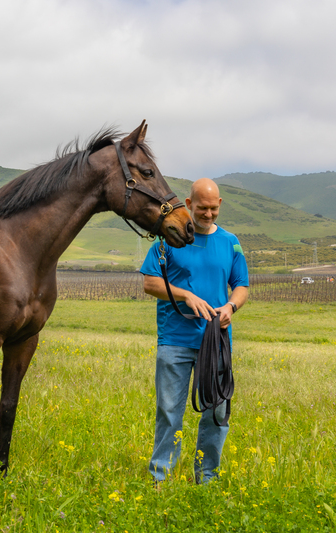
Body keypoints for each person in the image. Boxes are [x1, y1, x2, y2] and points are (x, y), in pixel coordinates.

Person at [140, 178, 249, 485]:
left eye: (214, 208)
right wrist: (186, 295)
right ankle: (160, 478)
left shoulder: (230, 242)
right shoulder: (169, 239)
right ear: (189, 205)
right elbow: (150, 283)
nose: (209, 214)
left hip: (215, 343)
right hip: (175, 340)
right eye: (202, 208)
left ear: (220, 205)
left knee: (217, 413)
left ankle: (207, 478)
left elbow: (241, 285)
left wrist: (231, 307)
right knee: (169, 413)